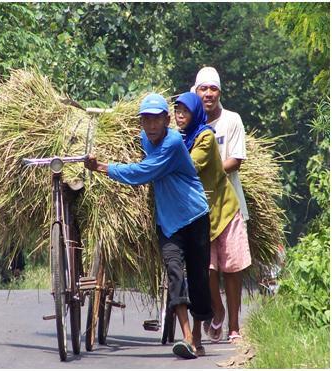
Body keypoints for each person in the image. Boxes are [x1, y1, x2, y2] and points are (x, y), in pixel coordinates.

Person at [84, 93, 213, 359]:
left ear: (167, 120)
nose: (151, 126)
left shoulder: (174, 142)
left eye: (157, 120)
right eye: (146, 120)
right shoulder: (143, 138)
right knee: (175, 272)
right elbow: (129, 145)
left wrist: (102, 167)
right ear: (141, 123)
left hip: (195, 215)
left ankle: (197, 335)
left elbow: (142, 172)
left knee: (199, 278)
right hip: (168, 222)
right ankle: (187, 338)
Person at [191, 67, 251, 343]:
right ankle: (217, 308)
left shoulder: (232, 121)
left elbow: (236, 160)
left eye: (212, 89)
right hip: (198, 205)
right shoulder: (189, 122)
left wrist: (204, 171)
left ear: (219, 92)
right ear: (196, 92)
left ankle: (235, 327)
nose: (208, 94)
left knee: (232, 267)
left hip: (229, 203)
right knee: (207, 267)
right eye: (203, 89)